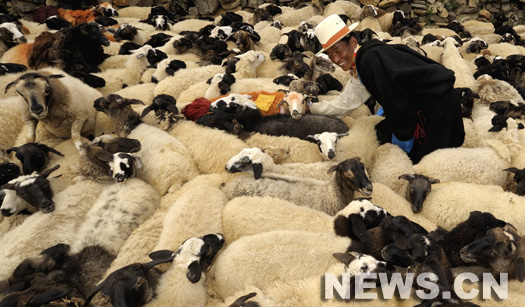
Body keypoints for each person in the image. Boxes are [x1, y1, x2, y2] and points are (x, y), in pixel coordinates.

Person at [310, 14, 465, 164]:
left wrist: (403, 142)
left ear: (352, 42)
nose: (335, 59)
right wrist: (311, 107)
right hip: (441, 104)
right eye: (330, 55)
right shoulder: (367, 58)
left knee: (425, 166)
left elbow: (397, 102)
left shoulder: (368, 60)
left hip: (436, 111)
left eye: (337, 51)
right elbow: (347, 102)